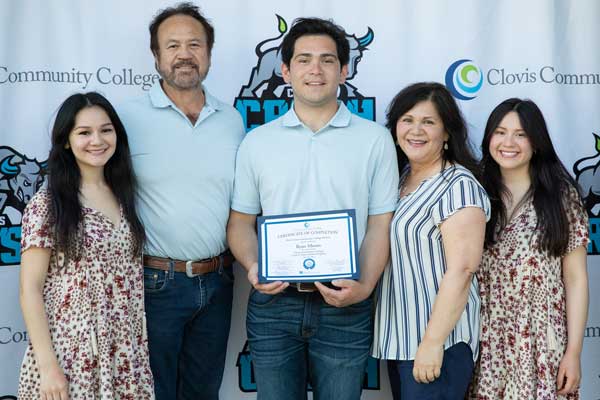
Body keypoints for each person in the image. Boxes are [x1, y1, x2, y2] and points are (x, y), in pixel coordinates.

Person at [226, 17, 399, 400]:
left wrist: (364, 287)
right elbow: (239, 224)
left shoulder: (375, 140)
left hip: (346, 303)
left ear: (344, 70)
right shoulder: (257, 142)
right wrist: (255, 266)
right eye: (304, 60)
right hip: (274, 306)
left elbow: (380, 225)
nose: (315, 70)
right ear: (285, 70)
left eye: (327, 60)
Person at [117, 3, 245, 399]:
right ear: (156, 56)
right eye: (172, 45)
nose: (184, 54)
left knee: (204, 392)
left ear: (209, 53)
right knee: (153, 393)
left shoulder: (231, 119)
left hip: (220, 282)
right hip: (154, 284)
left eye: (195, 44)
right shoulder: (125, 118)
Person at [18, 92, 153, 399]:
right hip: (72, 355)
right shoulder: (48, 204)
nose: (97, 140)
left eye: (106, 130)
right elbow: (30, 290)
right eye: (84, 132)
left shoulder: (124, 197)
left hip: (125, 356)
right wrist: (49, 367)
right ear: (66, 141)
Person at [371, 82, 490, 399]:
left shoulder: (458, 185)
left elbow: (462, 270)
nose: (416, 130)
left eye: (428, 122)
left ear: (447, 132)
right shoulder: (400, 179)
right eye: (407, 120)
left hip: (439, 344)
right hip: (402, 340)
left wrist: (433, 342)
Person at [470, 99, 589, 399]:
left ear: (536, 142)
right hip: (484, 339)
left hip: (539, 341)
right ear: (488, 139)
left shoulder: (561, 197)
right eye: (500, 132)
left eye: (521, 134)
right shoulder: (473, 192)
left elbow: (575, 279)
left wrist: (573, 352)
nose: (508, 142)